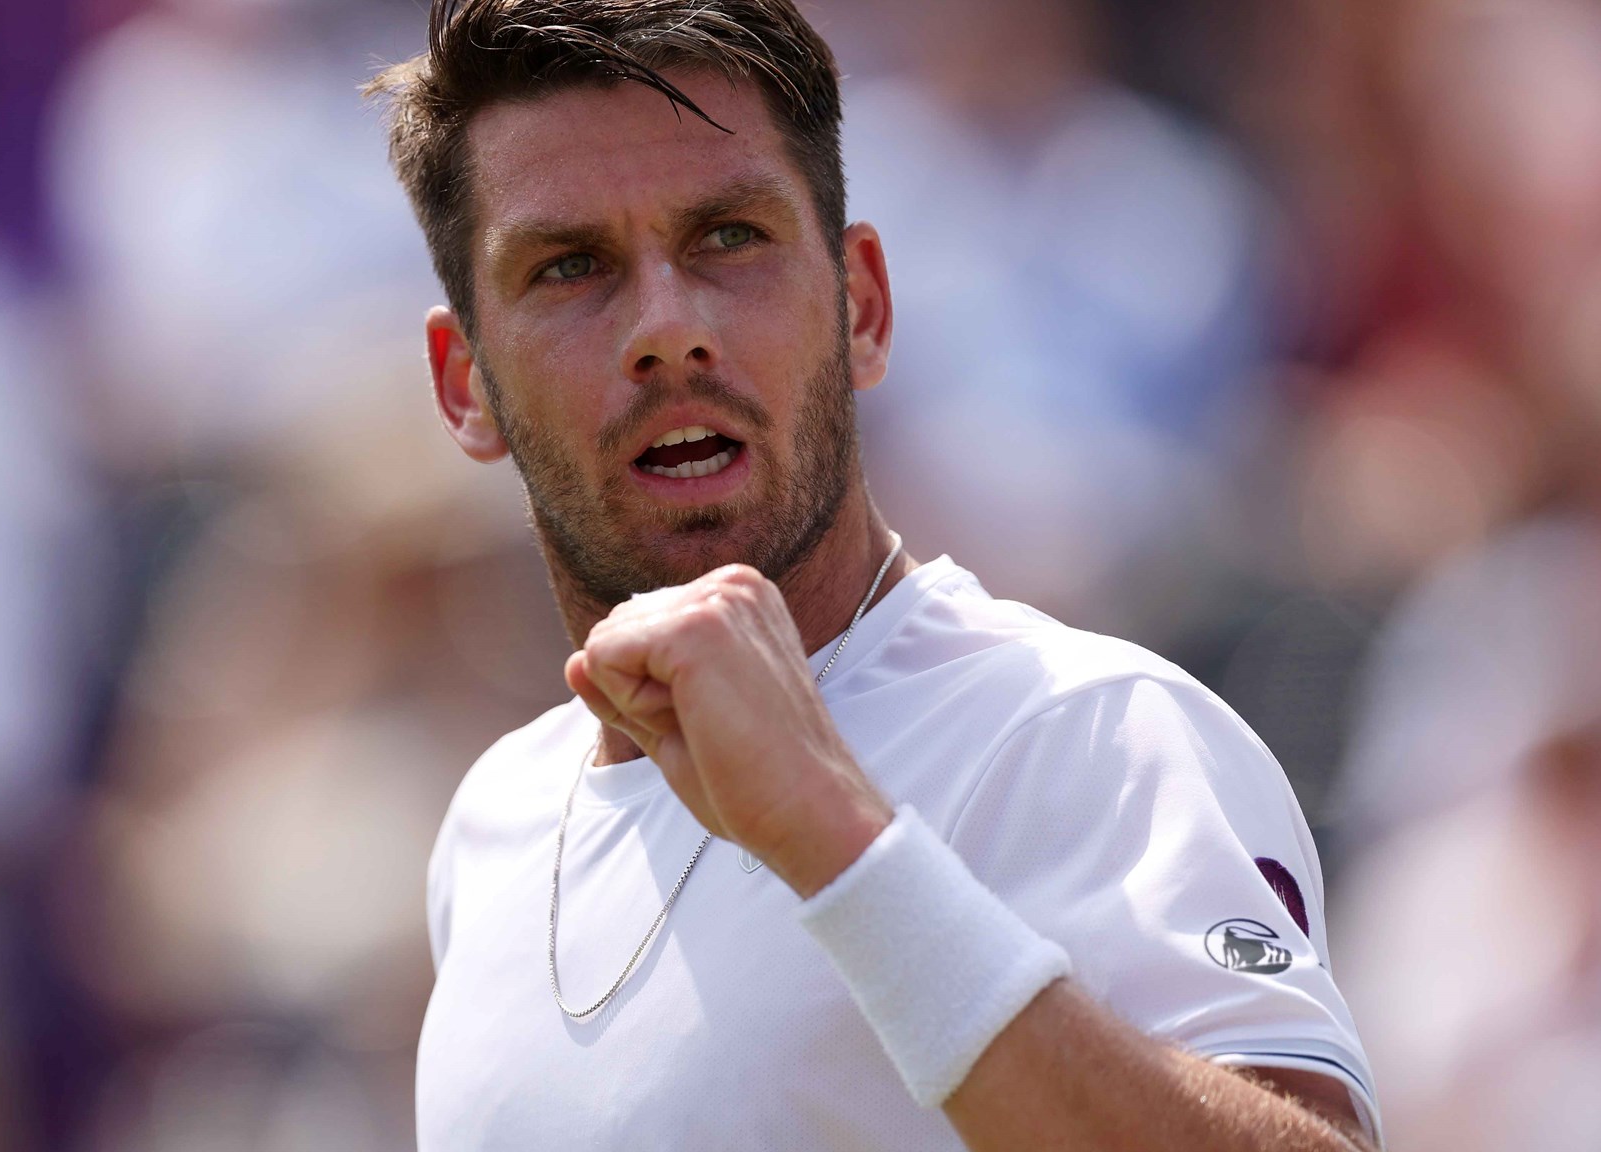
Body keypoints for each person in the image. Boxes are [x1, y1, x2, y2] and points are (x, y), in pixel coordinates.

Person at [368, 2, 1378, 1148]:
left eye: (727, 238)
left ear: (862, 305)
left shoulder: (1086, 729)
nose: (665, 327)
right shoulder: (491, 827)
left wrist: (839, 841)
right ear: (465, 385)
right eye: (568, 267)